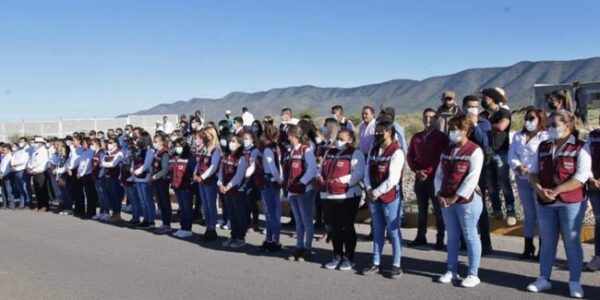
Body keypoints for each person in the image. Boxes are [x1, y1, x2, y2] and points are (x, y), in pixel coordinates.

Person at [526, 111, 589, 299]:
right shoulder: (543, 146)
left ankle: (575, 282)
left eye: (555, 124)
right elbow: (533, 173)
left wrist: (557, 190)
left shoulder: (580, 147)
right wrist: (540, 190)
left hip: (571, 202)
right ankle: (544, 278)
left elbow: (580, 177)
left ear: (568, 126)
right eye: (550, 124)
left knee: (571, 241)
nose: (551, 128)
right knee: (547, 241)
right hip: (545, 202)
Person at [435, 114, 484, 288]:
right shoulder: (447, 151)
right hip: (446, 199)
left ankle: (473, 273)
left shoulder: (475, 151)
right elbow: (439, 174)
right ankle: (451, 269)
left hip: (467, 201)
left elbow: (471, 179)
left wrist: (454, 197)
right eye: (451, 128)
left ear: (465, 131)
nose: (452, 132)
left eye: (456, 129)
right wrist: (439, 194)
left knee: (470, 235)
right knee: (453, 235)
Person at [317, 129, 365, 270]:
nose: (339, 141)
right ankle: (337, 255)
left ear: (350, 140)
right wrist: (320, 178)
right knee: (333, 227)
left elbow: (358, 173)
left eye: (342, 139)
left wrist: (339, 181)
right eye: (338, 137)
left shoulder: (355, 153)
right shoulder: (329, 152)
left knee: (346, 227)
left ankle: (349, 257)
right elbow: (321, 169)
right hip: (328, 196)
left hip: (346, 196)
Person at [362, 121, 404, 279]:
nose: (378, 134)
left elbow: (393, 179)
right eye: (376, 131)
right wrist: (368, 189)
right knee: (378, 230)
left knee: (393, 231)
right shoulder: (373, 150)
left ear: (390, 133)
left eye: (381, 132)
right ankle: (376, 261)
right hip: (374, 196)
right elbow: (367, 171)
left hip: (389, 197)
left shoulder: (396, 152)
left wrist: (376, 192)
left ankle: (396, 264)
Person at [508, 108, 549, 259]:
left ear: (540, 120)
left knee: (541, 214)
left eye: (532, 118)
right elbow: (512, 154)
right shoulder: (519, 136)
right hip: (522, 178)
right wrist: (517, 166)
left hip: (539, 180)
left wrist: (532, 170)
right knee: (529, 214)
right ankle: (528, 247)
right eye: (526, 118)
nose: (528, 121)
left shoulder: (545, 136)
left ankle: (543, 248)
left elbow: (545, 157)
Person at [406, 108, 448, 249]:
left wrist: (428, 172)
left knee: (438, 211)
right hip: (420, 179)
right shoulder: (416, 137)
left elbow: (440, 158)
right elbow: (410, 155)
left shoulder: (441, 137)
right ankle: (420, 236)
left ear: (436, 119)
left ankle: (440, 239)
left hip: (435, 179)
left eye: (431, 117)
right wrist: (417, 170)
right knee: (422, 210)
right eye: (426, 117)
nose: (428, 119)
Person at [463, 95, 493, 255]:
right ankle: (463, 242)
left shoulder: (484, 123)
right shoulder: (457, 123)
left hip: (479, 170)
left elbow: (485, 142)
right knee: (461, 205)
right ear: (463, 107)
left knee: (480, 207)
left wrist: (475, 125)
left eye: (475, 107)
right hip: (460, 168)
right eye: (469, 106)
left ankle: (486, 242)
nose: (472, 109)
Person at [481, 88, 516, 225]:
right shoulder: (483, 114)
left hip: (501, 151)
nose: (483, 100)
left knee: (503, 182)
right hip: (487, 152)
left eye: (485, 97)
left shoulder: (503, 112)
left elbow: (502, 126)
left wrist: (485, 126)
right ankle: (496, 210)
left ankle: (511, 211)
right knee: (491, 185)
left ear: (493, 98)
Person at [283, 125, 318, 262]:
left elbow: (312, 170)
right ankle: (299, 246)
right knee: (298, 222)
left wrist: (301, 183)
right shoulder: (290, 151)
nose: (287, 137)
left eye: (289, 134)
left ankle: (307, 249)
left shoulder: (306, 150)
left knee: (307, 221)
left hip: (304, 191)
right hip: (292, 191)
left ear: (294, 134)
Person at [218, 134, 249, 248]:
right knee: (231, 214)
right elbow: (221, 171)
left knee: (239, 215)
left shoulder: (241, 158)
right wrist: (221, 183)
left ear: (239, 144)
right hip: (226, 190)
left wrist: (228, 186)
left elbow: (239, 175)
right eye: (230, 141)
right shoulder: (226, 156)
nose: (231, 143)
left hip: (237, 190)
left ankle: (240, 238)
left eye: (234, 141)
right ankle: (233, 236)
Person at [258, 125, 284, 252]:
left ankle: (274, 240)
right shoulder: (275, 148)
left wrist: (280, 182)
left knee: (271, 213)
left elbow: (273, 168)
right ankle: (270, 239)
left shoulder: (268, 150)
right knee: (271, 212)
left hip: (270, 182)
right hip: (272, 181)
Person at [193, 127, 222, 241]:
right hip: (201, 181)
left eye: (206, 134)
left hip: (210, 181)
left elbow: (213, 167)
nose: (204, 136)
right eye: (203, 135)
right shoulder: (204, 148)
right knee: (205, 206)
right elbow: (198, 162)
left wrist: (202, 176)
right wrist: (195, 173)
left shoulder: (216, 149)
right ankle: (208, 227)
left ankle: (212, 229)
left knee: (211, 206)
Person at [169, 139, 195, 238]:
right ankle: (183, 227)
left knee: (187, 208)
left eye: (180, 146)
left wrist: (190, 181)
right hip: (176, 185)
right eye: (176, 146)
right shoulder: (175, 157)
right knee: (182, 208)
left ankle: (188, 229)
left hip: (186, 186)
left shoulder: (190, 157)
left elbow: (193, 171)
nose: (177, 148)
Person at [132, 131, 156, 228]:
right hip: (138, 179)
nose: (138, 140)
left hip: (145, 179)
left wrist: (137, 172)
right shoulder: (139, 150)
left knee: (148, 200)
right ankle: (145, 219)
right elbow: (134, 161)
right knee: (142, 200)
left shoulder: (150, 151)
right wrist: (133, 171)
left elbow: (147, 164)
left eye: (140, 138)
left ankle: (151, 220)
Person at [586, 114, 600, 271]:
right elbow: (585, 158)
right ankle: (598, 257)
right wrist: (591, 178)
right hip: (595, 186)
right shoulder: (593, 136)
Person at [152, 133, 172, 234]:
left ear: (162, 142)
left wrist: (154, 177)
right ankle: (164, 223)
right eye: (154, 141)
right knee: (161, 203)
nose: (154, 143)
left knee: (165, 203)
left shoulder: (164, 153)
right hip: (156, 181)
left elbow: (164, 169)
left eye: (156, 141)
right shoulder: (157, 152)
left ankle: (167, 225)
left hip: (162, 180)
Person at [101, 137, 124, 222]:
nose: (109, 144)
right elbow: (104, 162)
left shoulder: (119, 153)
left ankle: (117, 214)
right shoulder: (108, 152)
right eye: (108, 142)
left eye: (111, 142)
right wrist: (105, 163)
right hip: (108, 177)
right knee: (112, 196)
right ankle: (114, 213)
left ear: (116, 143)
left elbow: (113, 164)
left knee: (116, 197)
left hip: (115, 178)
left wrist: (104, 163)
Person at [242, 131, 261, 232]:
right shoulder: (243, 149)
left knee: (252, 201)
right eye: (243, 138)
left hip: (251, 179)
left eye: (246, 139)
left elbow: (252, 166)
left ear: (252, 139)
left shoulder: (254, 150)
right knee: (245, 202)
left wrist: (246, 175)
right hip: (242, 178)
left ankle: (255, 223)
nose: (244, 141)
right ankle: (247, 222)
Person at [77, 137, 99, 218]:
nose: (83, 144)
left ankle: (91, 212)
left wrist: (81, 173)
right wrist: (79, 172)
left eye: (84, 143)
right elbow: (81, 163)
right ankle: (89, 211)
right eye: (82, 143)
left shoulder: (91, 151)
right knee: (87, 194)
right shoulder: (83, 152)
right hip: (84, 175)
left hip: (89, 175)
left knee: (91, 194)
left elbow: (88, 164)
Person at [91, 138, 110, 221]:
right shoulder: (94, 152)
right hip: (95, 177)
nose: (92, 145)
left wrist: (100, 175)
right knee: (99, 196)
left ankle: (107, 212)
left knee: (104, 195)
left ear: (97, 144)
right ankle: (101, 212)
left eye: (93, 144)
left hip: (100, 177)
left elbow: (102, 165)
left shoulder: (101, 153)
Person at [11, 137, 32, 209]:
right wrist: (13, 165)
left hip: (23, 170)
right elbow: (13, 158)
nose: (20, 143)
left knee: (25, 187)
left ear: (26, 142)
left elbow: (25, 160)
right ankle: (22, 203)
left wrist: (16, 164)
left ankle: (29, 203)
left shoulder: (28, 150)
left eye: (22, 141)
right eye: (20, 141)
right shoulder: (18, 150)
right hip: (16, 170)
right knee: (20, 188)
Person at [0, 143, 16, 209]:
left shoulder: (11, 156)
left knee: (9, 190)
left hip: (8, 175)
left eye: (4, 149)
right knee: (3, 190)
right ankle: (5, 204)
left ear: (8, 149)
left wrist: (3, 175)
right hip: (2, 175)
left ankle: (12, 204)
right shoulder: (4, 156)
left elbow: (9, 168)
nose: (3, 150)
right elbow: (2, 166)